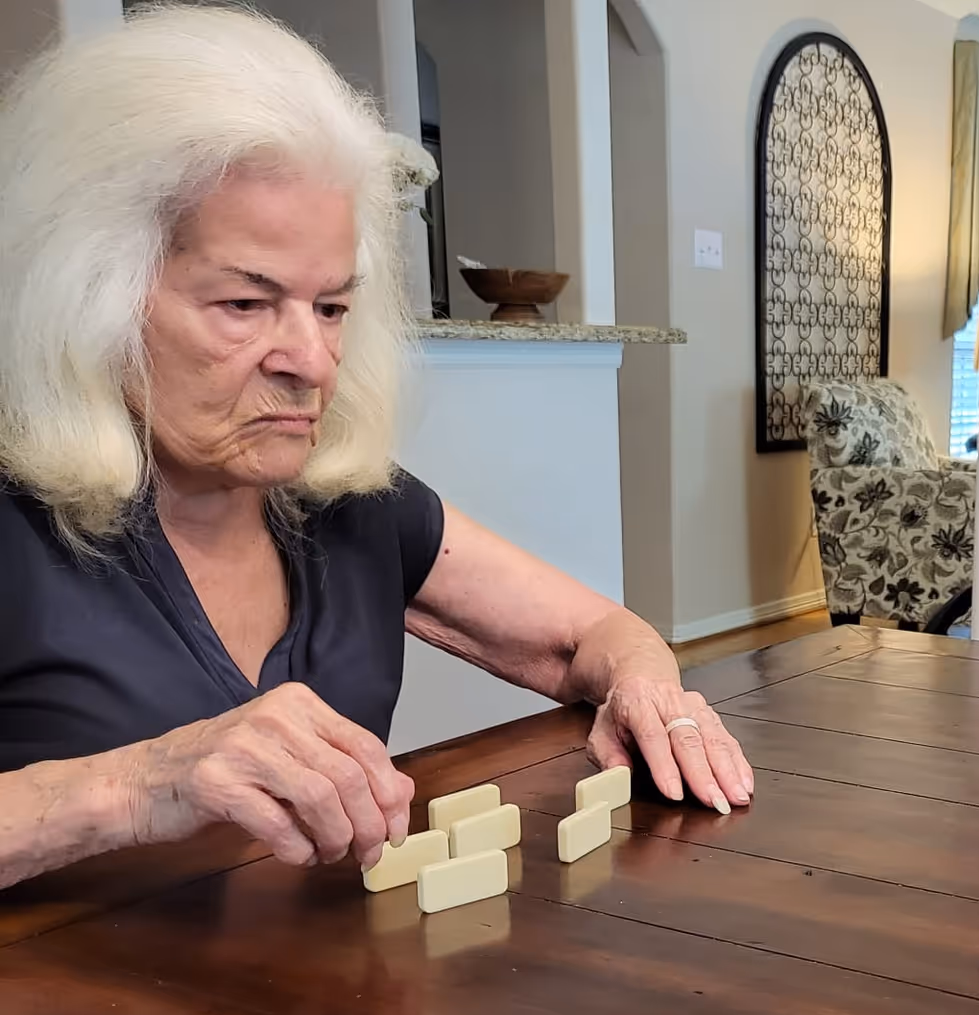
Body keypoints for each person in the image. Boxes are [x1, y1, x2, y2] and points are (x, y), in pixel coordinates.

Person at [0, 7, 752, 892]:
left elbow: (591, 636)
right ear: (92, 299)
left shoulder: (352, 504)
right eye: (245, 305)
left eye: (330, 307)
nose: (313, 362)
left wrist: (648, 694)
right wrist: (136, 784)